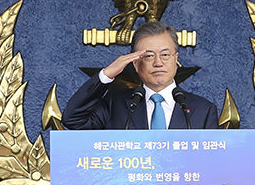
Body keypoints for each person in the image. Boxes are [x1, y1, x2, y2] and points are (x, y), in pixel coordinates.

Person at [63, 20, 219, 130]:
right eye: (149, 56)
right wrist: (106, 75)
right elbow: (73, 120)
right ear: (136, 64)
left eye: (165, 55)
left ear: (175, 59)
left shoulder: (203, 110)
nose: (158, 62)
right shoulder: (114, 105)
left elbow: (212, 164)